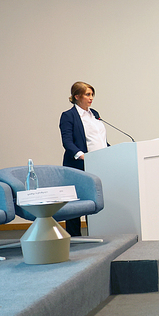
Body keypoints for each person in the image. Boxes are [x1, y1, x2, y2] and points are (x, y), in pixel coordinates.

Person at [59, 81, 106, 236]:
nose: (91, 98)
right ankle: (74, 238)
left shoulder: (95, 114)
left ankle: (97, 234)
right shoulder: (68, 116)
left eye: (92, 94)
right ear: (77, 96)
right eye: (87, 94)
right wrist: (82, 156)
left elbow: (99, 139)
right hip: (78, 164)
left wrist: (111, 152)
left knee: (95, 200)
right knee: (76, 203)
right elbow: (67, 142)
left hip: (98, 164)